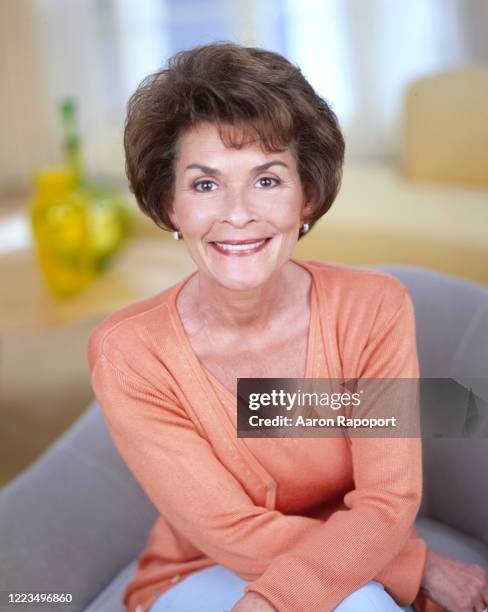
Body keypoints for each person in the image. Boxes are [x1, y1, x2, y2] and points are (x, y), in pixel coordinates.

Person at [88, 43, 488, 612]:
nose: (237, 212)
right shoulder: (129, 352)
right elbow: (231, 529)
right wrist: (418, 566)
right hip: (203, 570)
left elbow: (387, 499)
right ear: (169, 204)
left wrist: (280, 599)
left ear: (309, 195)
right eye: (205, 184)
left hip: (353, 561)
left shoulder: (374, 309)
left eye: (267, 180)